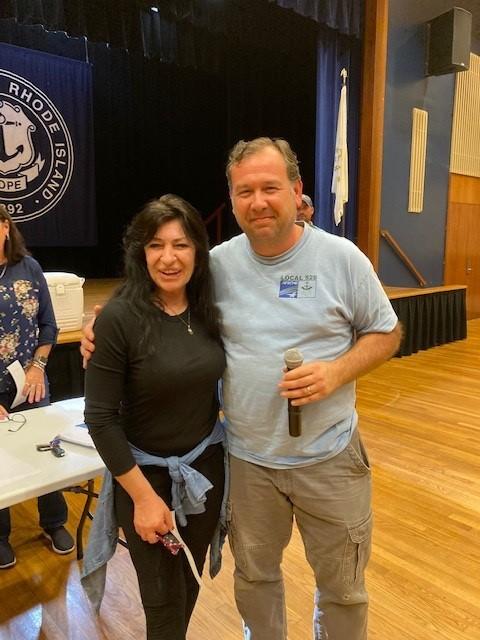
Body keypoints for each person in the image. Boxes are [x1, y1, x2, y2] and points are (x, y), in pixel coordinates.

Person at [81, 138, 401, 639]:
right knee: (255, 581)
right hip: (248, 463)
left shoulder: (341, 258)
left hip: (330, 458)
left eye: (270, 187)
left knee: (343, 589)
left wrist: (336, 372)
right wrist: (102, 324)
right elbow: (157, 296)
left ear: (296, 189)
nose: (258, 202)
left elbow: (387, 333)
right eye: (244, 191)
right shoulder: (218, 265)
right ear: (231, 200)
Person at [81, 195, 226, 640]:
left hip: (204, 474)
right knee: (162, 604)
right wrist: (144, 499)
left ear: (197, 250)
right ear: (140, 253)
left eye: (180, 245)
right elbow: (100, 418)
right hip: (144, 481)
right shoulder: (119, 318)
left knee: (188, 583)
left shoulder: (207, 309)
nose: (168, 258)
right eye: (156, 245)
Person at [0, 204, 75, 570]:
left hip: (30, 382)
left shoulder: (29, 268)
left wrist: (37, 367)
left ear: (5, 227)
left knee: (45, 450)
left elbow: (48, 325)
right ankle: (0, 536)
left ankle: (54, 522)